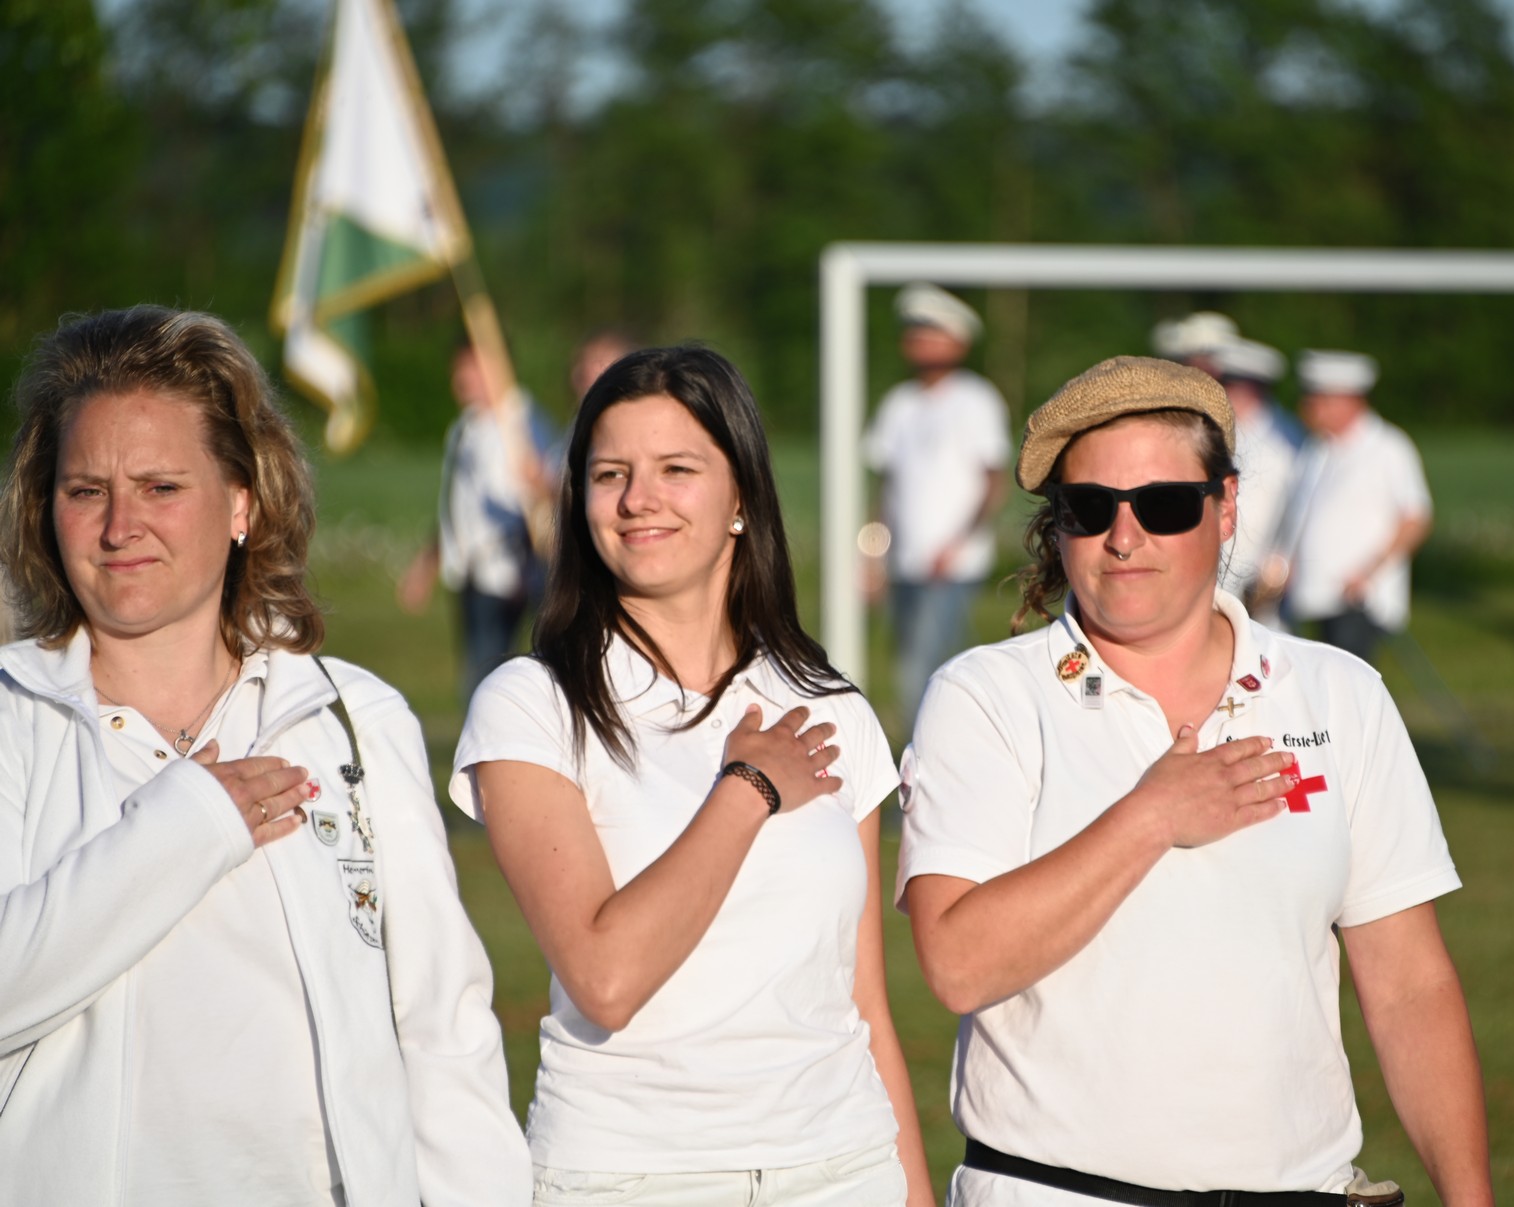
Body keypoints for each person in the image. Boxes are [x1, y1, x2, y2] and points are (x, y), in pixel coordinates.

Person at [897, 355, 1492, 1205]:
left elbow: (1410, 985)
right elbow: (959, 964)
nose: (1124, 536)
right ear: (1058, 527)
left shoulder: (1340, 692)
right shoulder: (987, 696)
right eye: (1090, 507)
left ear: (1228, 507)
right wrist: (1149, 817)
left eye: (1166, 504)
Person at [0, 306, 529, 1206]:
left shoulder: (352, 719)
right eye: (86, 490)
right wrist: (188, 825)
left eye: (161, 486)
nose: (121, 525)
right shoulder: (15, 718)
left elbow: (443, 1033)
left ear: (242, 502)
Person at [452, 346, 935, 1206]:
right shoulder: (531, 704)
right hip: (631, 1179)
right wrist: (747, 789)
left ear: (740, 495)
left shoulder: (830, 707)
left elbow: (863, 1003)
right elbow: (606, 979)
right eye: (611, 474)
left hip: (845, 1169)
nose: (639, 498)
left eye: (677, 469)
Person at [863, 283, 1011, 723]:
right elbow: (886, 489)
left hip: (953, 565)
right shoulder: (899, 403)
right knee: (912, 660)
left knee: (928, 667)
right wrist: (871, 554)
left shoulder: (977, 399)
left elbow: (993, 482)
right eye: (915, 332)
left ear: (959, 342)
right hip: (903, 562)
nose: (920, 340)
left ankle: (926, 747)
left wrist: (957, 544)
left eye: (933, 332)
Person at [399, 339, 559, 702]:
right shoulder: (466, 427)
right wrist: (428, 563)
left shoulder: (525, 423)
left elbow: (546, 497)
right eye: (459, 368)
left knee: (494, 677)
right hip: (471, 572)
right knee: (478, 672)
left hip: (510, 573)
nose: (462, 378)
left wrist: (541, 486)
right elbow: (458, 507)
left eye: (473, 368)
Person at [1282, 350, 1433, 663]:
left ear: (1348, 401)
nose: (1308, 407)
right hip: (1315, 597)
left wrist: (1369, 572)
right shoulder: (1318, 449)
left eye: (1319, 399)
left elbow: (1416, 519)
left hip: (1357, 600)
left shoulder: (1388, 447)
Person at [1213, 336, 1302, 616]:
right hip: (1215, 562)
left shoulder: (1287, 438)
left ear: (1253, 389)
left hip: (1263, 573)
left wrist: (1282, 560)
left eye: (1232, 385)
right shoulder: (1214, 428)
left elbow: (1299, 506)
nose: (1226, 392)